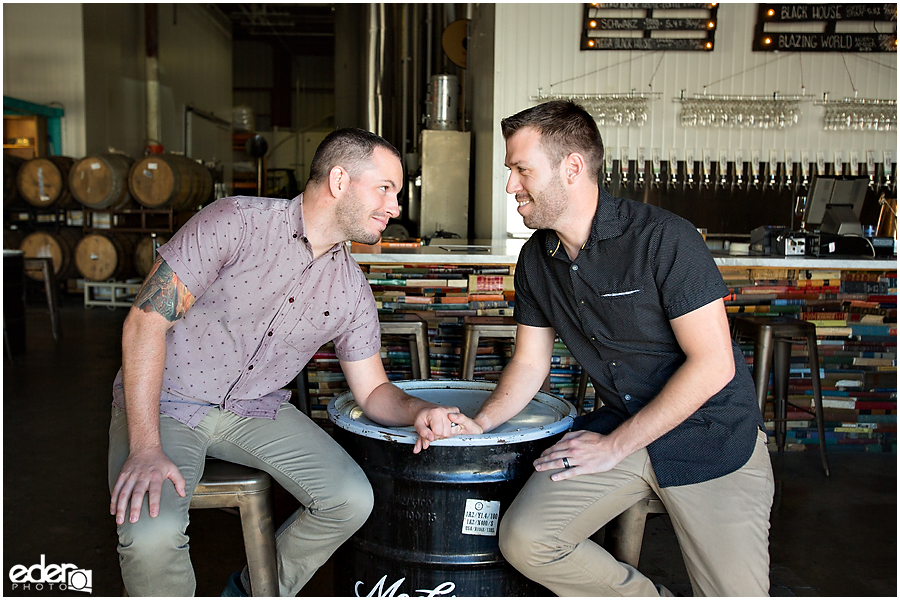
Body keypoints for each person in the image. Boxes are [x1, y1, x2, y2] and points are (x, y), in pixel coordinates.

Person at [441, 101, 775, 596]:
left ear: (572, 168)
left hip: (710, 435)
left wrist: (613, 447)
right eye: (510, 170)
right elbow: (530, 363)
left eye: (520, 169)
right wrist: (482, 423)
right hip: (619, 424)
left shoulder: (664, 239)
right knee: (527, 540)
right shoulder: (537, 259)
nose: (511, 185)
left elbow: (713, 366)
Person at [108, 128, 459, 596]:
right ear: (339, 180)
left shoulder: (351, 287)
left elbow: (373, 391)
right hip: (168, 401)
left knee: (350, 499)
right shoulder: (235, 221)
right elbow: (144, 324)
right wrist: (146, 447)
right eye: (385, 189)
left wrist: (419, 411)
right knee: (151, 535)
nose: (395, 207)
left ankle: (253, 591)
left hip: (254, 411)